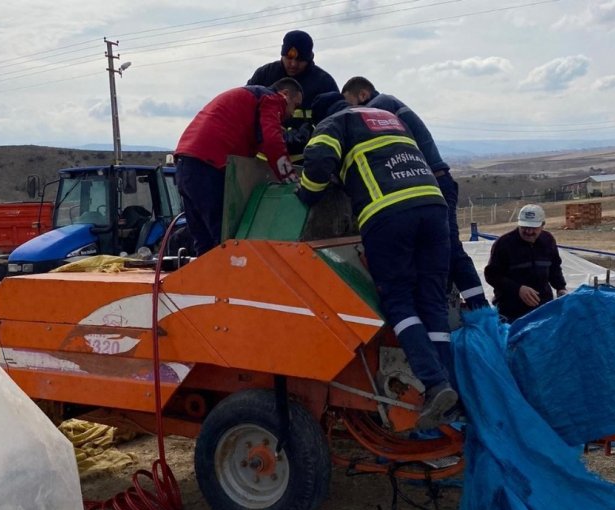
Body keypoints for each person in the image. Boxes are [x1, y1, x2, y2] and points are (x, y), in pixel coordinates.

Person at [297, 91, 457, 430]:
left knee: (398, 301)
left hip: (389, 213)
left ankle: (434, 384)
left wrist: (307, 193)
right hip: (433, 206)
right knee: (432, 301)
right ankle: (452, 389)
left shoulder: (333, 122)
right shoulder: (388, 120)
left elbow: (319, 160)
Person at [341, 76, 488, 310]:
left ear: (362, 95)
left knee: (449, 248)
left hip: (433, 185)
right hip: (434, 185)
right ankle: (456, 305)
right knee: (438, 251)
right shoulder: (392, 105)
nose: (351, 112)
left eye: (350, 104)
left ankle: (480, 311)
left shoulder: (380, 106)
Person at [174, 78, 303, 256]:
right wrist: (292, 181)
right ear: (286, 95)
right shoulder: (272, 99)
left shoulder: (247, 101)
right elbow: (272, 142)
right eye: (294, 107)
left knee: (205, 246)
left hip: (185, 165)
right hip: (210, 167)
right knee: (227, 243)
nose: (291, 114)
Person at [247, 30, 339, 159]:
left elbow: (335, 124)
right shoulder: (265, 75)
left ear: (310, 57)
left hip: (306, 160)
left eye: (300, 60)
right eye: (289, 58)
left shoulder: (324, 83)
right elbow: (247, 111)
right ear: (282, 55)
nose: (293, 64)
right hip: (263, 158)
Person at [484, 204, 567, 322]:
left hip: (542, 307)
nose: (528, 231)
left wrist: (560, 288)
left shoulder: (548, 240)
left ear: (542, 225)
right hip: (511, 311)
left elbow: (554, 268)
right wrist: (518, 289)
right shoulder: (504, 244)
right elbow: (492, 275)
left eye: (533, 228)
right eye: (524, 227)